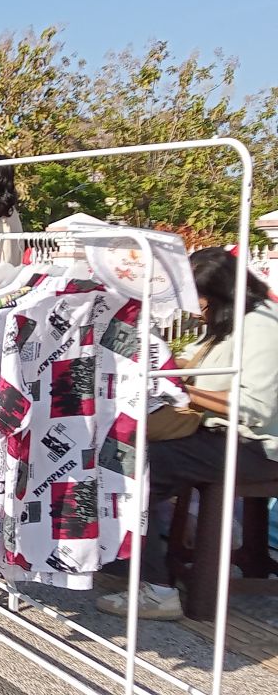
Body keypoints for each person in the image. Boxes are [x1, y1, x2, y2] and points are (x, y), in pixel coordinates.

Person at [97, 247, 278, 620]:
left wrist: (182, 388)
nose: (193, 306)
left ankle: (158, 587)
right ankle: (130, 558)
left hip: (256, 448)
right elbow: (191, 365)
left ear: (215, 294)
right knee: (125, 450)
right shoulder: (231, 322)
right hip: (223, 437)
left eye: (196, 296)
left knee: (138, 466)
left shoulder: (263, 328)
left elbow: (256, 409)